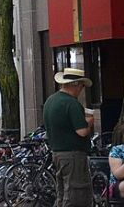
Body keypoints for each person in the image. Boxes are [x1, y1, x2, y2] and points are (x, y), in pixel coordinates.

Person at [43, 67, 95, 207]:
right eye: (82, 86)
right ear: (75, 85)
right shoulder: (72, 103)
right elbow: (82, 131)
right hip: (73, 155)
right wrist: (89, 122)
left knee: (62, 192)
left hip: (57, 153)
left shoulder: (50, 101)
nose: (82, 90)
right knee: (75, 194)